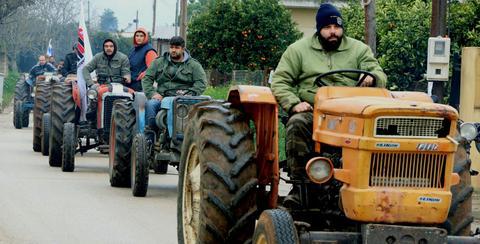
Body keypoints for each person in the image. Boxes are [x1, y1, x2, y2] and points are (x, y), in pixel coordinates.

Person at [271, 3, 387, 205]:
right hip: (314, 110)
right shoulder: (298, 50)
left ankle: (374, 184)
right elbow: (281, 81)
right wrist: (293, 103)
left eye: (337, 27)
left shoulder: (359, 49)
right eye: (327, 28)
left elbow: (378, 73)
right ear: (319, 29)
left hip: (351, 112)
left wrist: (373, 79)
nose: (333, 32)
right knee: (297, 123)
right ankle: (300, 188)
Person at [142, 36, 207, 131]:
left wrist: (191, 94)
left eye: (177, 48)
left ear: (183, 49)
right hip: (162, 98)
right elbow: (146, 78)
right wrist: (153, 94)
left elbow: (201, 82)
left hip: (185, 99)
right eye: (172, 47)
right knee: (151, 105)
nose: (173, 50)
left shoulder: (194, 65)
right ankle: (150, 137)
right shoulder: (159, 62)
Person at [81, 39, 131, 122]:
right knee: (93, 96)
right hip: (101, 85)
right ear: (103, 48)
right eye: (106, 46)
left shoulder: (123, 58)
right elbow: (85, 69)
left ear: (115, 47)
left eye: (111, 46)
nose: (108, 48)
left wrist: (127, 77)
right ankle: (93, 119)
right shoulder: (98, 57)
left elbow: (126, 73)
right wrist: (90, 84)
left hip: (118, 86)